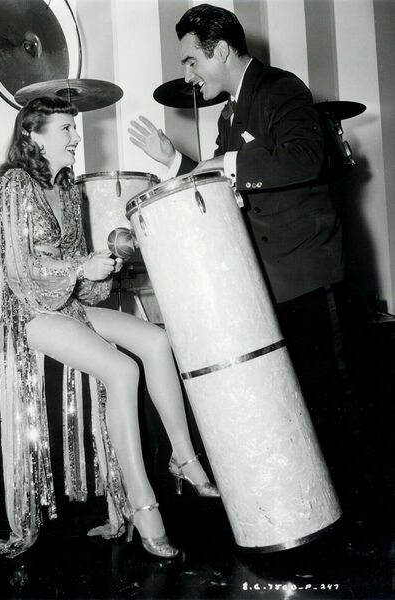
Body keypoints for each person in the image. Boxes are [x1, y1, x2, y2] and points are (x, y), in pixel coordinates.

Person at [0, 96, 218, 560]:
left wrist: (100, 267)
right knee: (123, 370)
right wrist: (79, 268)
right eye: (65, 128)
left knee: (157, 339)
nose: (76, 137)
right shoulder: (14, 186)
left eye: (75, 127)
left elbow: (83, 288)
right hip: (30, 315)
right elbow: (19, 273)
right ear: (32, 134)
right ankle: (146, 510)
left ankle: (183, 457)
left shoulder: (68, 187)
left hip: (68, 307)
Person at [129, 4, 350, 480]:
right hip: (268, 283)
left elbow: (306, 157)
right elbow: (217, 186)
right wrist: (173, 162)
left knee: (331, 407)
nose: (187, 75)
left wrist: (228, 163)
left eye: (191, 61)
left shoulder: (281, 88)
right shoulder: (229, 114)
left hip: (309, 278)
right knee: (300, 410)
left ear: (223, 51)